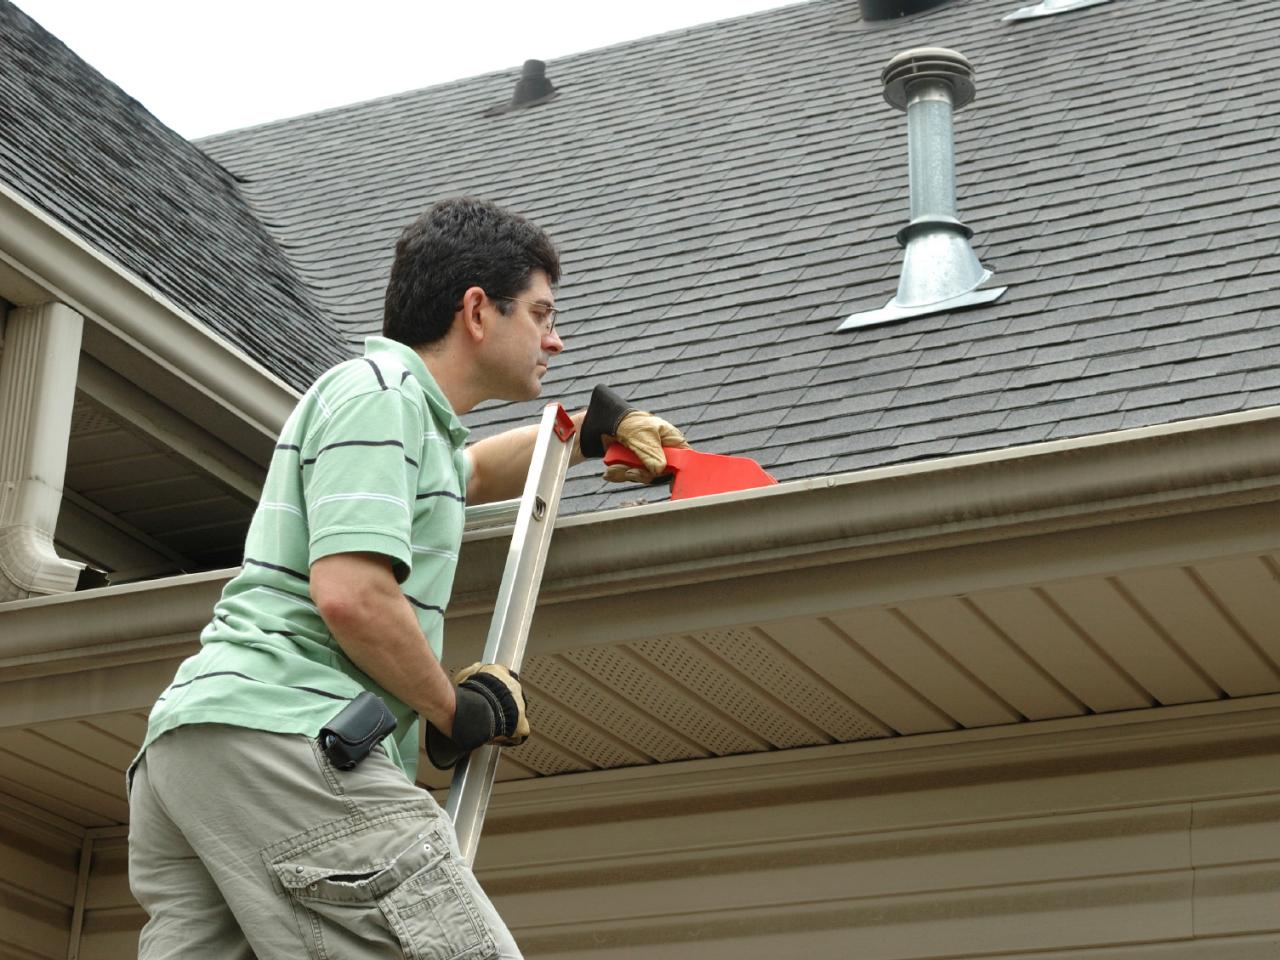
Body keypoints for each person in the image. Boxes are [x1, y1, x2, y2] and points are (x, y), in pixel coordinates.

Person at [126, 197, 687, 960]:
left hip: (200, 750)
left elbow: (472, 470)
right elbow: (351, 594)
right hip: (286, 734)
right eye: (543, 313)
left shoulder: (399, 414)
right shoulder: (380, 395)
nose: (556, 339)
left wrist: (584, 433)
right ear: (478, 311)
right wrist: (452, 708)